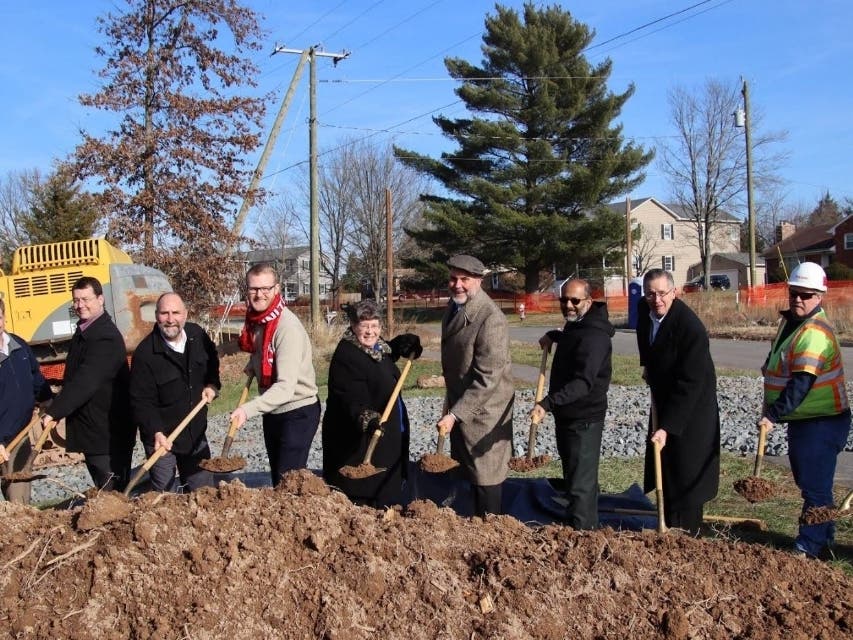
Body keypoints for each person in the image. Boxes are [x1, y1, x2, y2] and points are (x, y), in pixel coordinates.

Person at [758, 262, 850, 558]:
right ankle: (824, 538)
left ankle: (809, 546)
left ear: (820, 296)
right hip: (806, 421)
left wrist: (773, 415)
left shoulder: (815, 332)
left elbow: (802, 383)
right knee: (810, 481)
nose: (798, 299)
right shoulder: (792, 323)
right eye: (795, 293)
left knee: (814, 485)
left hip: (822, 421)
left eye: (807, 295)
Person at [636, 268, 720, 534]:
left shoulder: (690, 328)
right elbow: (647, 343)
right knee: (667, 469)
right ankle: (668, 524)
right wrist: (647, 367)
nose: (656, 299)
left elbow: (691, 383)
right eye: (651, 293)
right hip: (665, 400)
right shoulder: (644, 311)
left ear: (675, 292)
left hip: (691, 411)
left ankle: (688, 535)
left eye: (662, 293)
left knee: (686, 474)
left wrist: (667, 427)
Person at [322, 300, 423, 507]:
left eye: (375, 325)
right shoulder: (346, 357)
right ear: (353, 325)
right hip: (360, 444)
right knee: (367, 507)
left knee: (388, 498)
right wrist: (366, 417)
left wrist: (399, 345)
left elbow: (377, 362)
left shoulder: (376, 348)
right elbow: (347, 396)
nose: (370, 331)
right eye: (364, 326)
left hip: (387, 440)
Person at [530, 278, 614, 529]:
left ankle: (585, 536)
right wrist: (553, 335)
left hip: (584, 420)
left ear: (588, 301)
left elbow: (583, 383)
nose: (568, 305)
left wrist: (547, 403)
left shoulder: (595, 338)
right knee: (573, 478)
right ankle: (576, 525)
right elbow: (573, 336)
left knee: (580, 485)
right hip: (568, 416)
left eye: (575, 300)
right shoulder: (577, 326)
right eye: (564, 299)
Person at [437, 254, 514, 517]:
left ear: (479, 281)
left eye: (464, 280)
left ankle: (491, 534)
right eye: (453, 278)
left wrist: (455, 414)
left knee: (486, 479)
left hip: (484, 414)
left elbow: (488, 378)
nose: (457, 285)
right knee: (467, 476)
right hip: (460, 406)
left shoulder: (490, 319)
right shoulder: (455, 307)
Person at [230, 263, 320, 487]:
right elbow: (263, 352)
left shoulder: (286, 327)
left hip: (297, 410)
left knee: (288, 482)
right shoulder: (259, 321)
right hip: (274, 409)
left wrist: (247, 409)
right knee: (277, 478)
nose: (259, 294)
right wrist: (254, 363)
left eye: (265, 288)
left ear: (277, 289)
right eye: (253, 289)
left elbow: (285, 387)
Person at [42, 276, 135, 491]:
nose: (80, 305)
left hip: (108, 432)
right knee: (104, 489)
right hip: (93, 430)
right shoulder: (85, 331)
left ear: (100, 299)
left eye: (86, 299)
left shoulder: (105, 337)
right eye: (76, 300)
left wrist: (56, 411)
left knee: (111, 493)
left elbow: (86, 380)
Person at [129, 292, 220, 492]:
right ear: (156, 316)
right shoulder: (145, 355)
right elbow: (140, 401)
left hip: (194, 434)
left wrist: (212, 384)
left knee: (204, 493)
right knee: (165, 497)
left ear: (185, 314)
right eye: (164, 313)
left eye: (175, 313)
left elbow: (212, 358)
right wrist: (156, 431)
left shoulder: (197, 335)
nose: (170, 319)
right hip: (162, 440)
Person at [0, 297, 53, 503]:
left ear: (4, 317)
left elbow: (36, 378)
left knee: (19, 500)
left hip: (19, 436)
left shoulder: (18, 345)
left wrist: (49, 403)